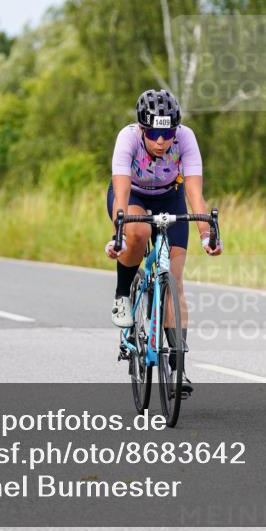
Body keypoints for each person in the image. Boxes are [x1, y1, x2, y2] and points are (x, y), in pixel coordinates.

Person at [104, 89, 222, 394]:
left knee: (176, 280)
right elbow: (121, 192)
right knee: (139, 233)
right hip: (134, 195)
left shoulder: (186, 139)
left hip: (171, 197)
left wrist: (206, 235)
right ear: (142, 129)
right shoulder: (127, 139)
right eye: (154, 133)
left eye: (167, 132)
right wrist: (119, 234)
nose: (161, 141)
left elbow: (194, 194)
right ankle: (123, 296)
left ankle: (177, 367)